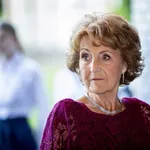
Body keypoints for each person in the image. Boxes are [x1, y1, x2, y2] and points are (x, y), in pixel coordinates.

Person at [40, 12, 150, 150]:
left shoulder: (142, 113)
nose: (93, 67)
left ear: (125, 64)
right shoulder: (66, 115)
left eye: (105, 57)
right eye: (85, 56)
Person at [0, 22, 50, 150]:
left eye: (3, 38)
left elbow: (43, 105)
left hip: (20, 130)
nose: (1, 43)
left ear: (14, 38)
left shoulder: (30, 68)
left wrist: (43, 137)